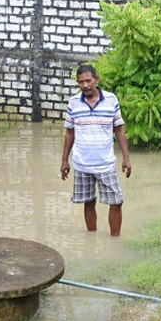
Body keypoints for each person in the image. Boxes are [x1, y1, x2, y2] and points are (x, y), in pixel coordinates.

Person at [60, 64, 132, 237]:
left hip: (106, 163)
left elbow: (119, 129)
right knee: (88, 202)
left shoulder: (111, 99)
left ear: (96, 80)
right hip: (82, 163)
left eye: (88, 81)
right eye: (80, 82)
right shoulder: (74, 102)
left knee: (116, 202)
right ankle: (91, 237)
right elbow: (70, 132)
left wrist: (126, 158)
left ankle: (115, 240)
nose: (84, 85)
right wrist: (64, 160)